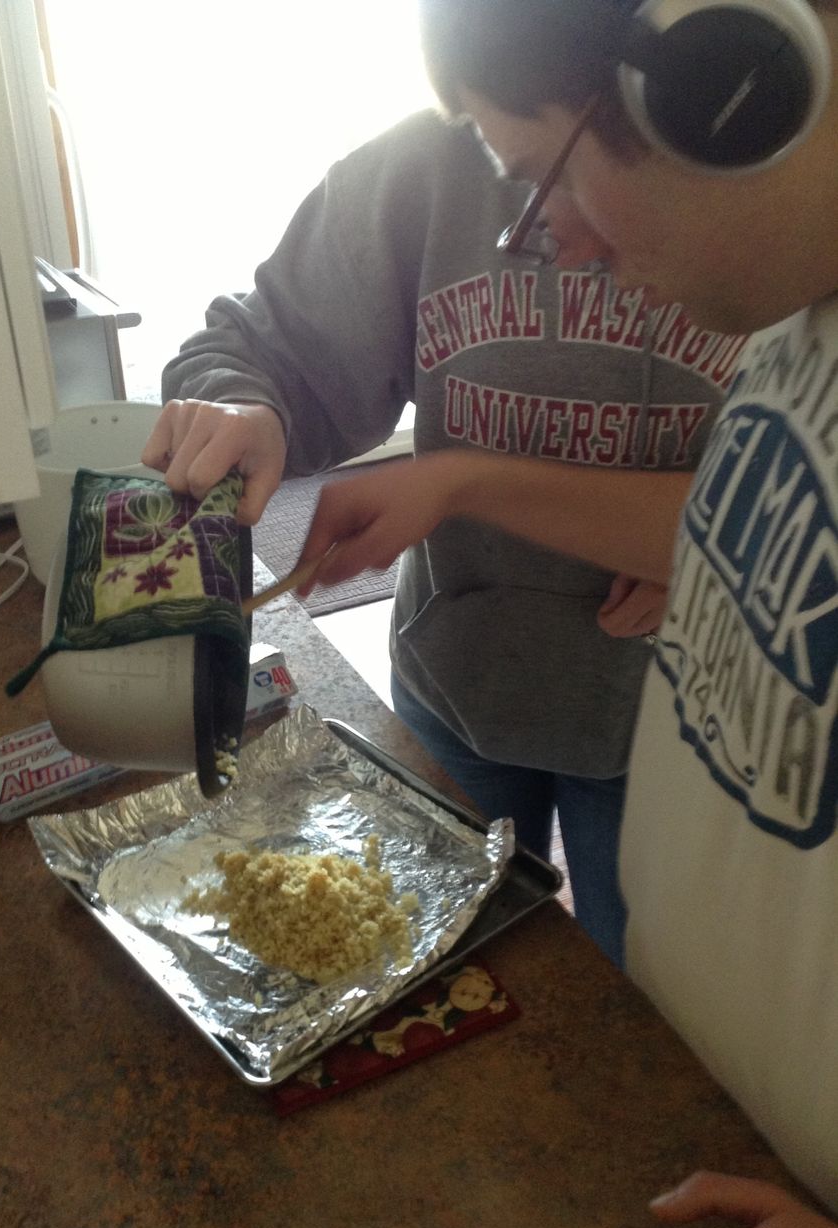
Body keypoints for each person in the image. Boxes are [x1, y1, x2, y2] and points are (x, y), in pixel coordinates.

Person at [294, 0, 838, 1228]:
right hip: (713, 1131)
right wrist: (464, 480)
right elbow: (720, 523)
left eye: (547, 177)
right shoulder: (790, 314)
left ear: (716, 84)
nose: (568, 243)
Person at [143, 77, 745, 971]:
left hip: (697, 717)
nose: (566, 244)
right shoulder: (430, 156)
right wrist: (247, 408)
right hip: (463, 674)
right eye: (530, 181)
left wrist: (720, 533)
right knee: (447, 979)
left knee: (657, 1020)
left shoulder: (773, 165)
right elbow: (258, 344)